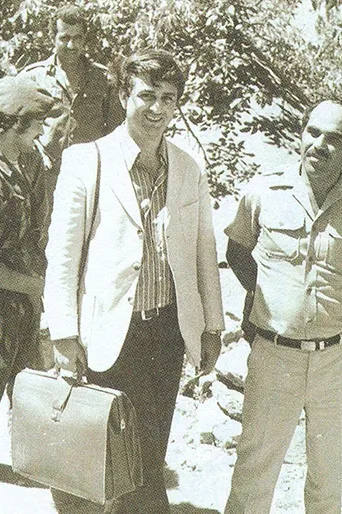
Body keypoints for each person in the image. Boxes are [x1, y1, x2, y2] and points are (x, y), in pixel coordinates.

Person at [44, 49, 225, 513]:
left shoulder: (187, 168)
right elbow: (62, 256)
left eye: (168, 98)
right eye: (147, 95)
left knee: (147, 457)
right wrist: (63, 334)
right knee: (102, 460)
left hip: (166, 334)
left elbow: (205, 251)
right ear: (125, 95)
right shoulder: (87, 160)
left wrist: (211, 325)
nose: (157, 109)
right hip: (106, 335)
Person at [224, 98, 342, 514]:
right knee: (254, 471)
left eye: (333, 138)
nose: (319, 145)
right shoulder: (263, 193)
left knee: (327, 475)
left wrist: (336, 307)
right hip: (275, 356)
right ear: (301, 133)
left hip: (338, 358)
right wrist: (269, 298)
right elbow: (237, 252)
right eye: (313, 132)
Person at [21, 4, 124, 194]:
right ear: (52, 38)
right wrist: (37, 150)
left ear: (84, 39)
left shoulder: (103, 78)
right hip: (46, 175)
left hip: (89, 175)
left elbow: (115, 129)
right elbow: (17, 128)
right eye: (65, 38)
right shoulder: (32, 78)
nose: (72, 45)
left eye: (78, 38)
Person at [0, 75, 56, 400]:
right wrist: (34, 286)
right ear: (15, 123)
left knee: (26, 408)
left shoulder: (21, 166)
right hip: (9, 305)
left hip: (21, 313)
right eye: (38, 124)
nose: (42, 132)